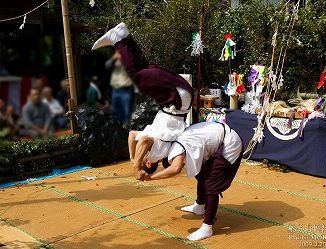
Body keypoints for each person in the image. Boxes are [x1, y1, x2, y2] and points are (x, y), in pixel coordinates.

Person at [92, 22, 194, 178]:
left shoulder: (153, 140)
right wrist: (136, 168)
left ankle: (124, 36)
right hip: (177, 99)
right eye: (144, 161)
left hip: (178, 98)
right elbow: (144, 141)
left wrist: (134, 159)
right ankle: (116, 40)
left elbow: (133, 135)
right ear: (148, 163)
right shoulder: (155, 155)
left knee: (143, 68)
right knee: (135, 74)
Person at [137, 122, 243, 241]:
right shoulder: (165, 141)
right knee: (200, 172)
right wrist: (136, 165)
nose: (144, 153)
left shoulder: (173, 146)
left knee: (211, 184)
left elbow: (175, 169)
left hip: (229, 142)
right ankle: (199, 206)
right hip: (218, 137)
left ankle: (207, 227)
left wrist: (150, 177)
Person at [105, 50, 135, 125]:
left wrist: (125, 58)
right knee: (115, 112)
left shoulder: (130, 58)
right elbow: (107, 66)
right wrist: (114, 58)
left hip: (126, 90)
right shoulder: (116, 59)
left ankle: (126, 131)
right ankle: (117, 130)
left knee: (127, 112)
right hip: (116, 90)